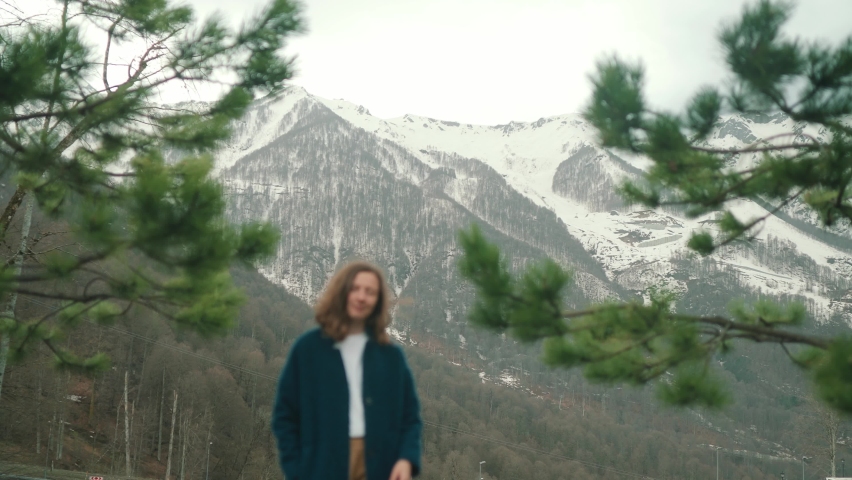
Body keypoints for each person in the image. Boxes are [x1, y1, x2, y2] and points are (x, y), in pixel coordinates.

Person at [272, 261, 422, 480]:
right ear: (341, 292)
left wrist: (406, 459)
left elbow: (410, 418)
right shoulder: (307, 350)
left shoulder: (391, 356)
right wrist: (296, 469)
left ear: (378, 301)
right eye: (355, 288)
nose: (362, 297)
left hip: (381, 466)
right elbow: (284, 415)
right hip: (321, 465)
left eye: (370, 292)